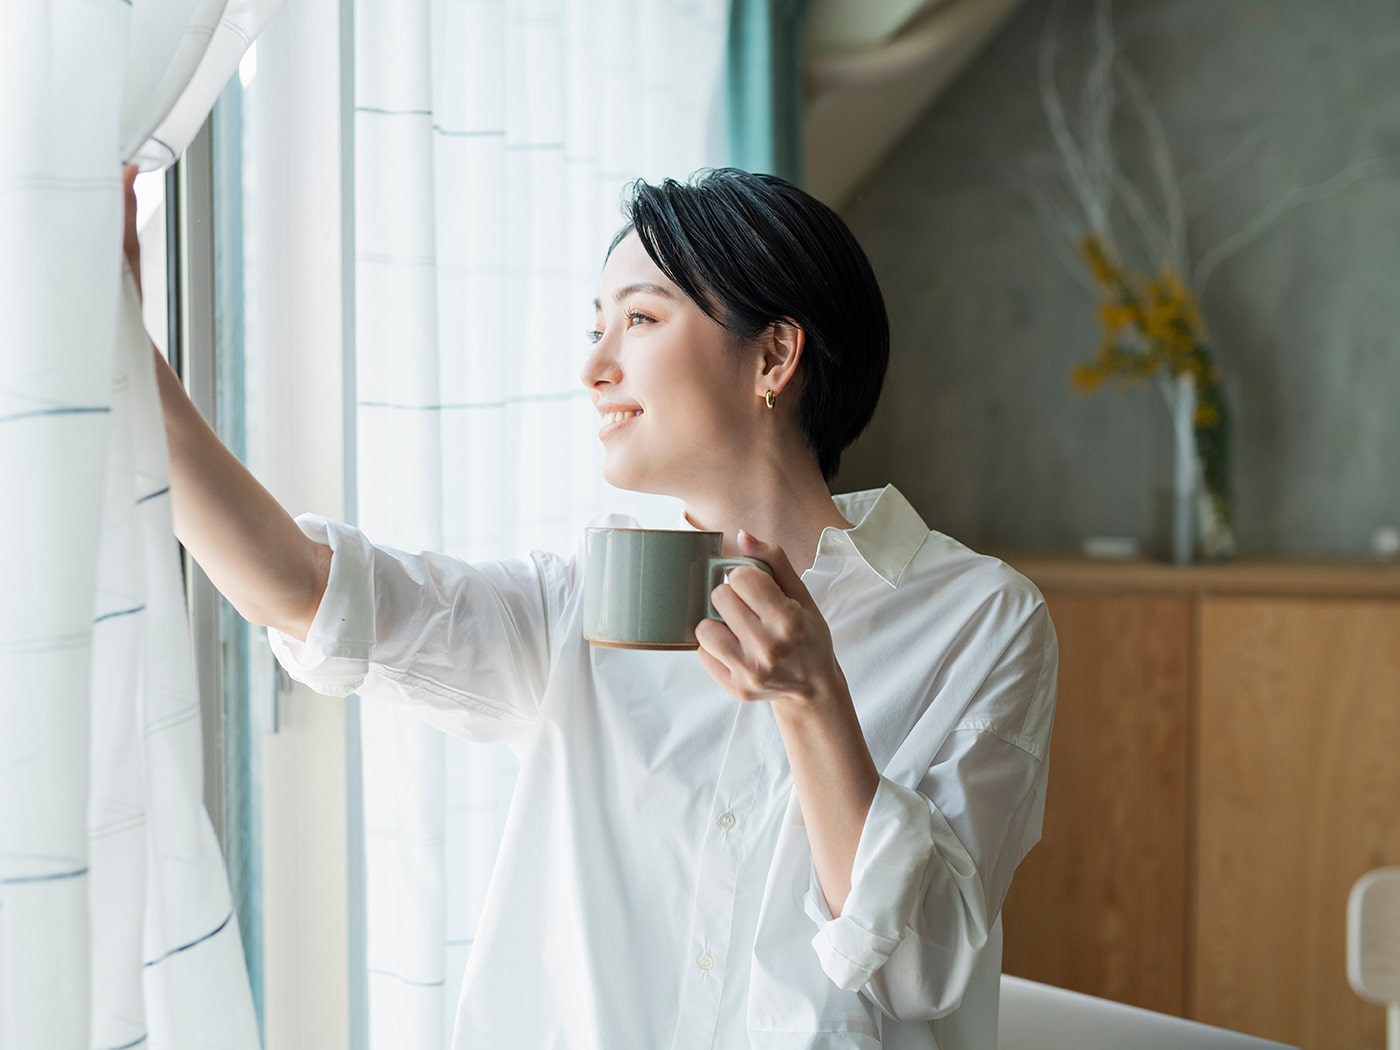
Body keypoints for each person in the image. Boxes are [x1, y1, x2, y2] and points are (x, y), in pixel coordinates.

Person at [129, 165, 1057, 1049]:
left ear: (774, 354)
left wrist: (815, 701)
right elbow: (302, 592)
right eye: (595, 327)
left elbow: (924, 969)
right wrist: (127, 354)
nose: (594, 369)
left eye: (640, 319)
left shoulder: (981, 621)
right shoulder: (579, 602)